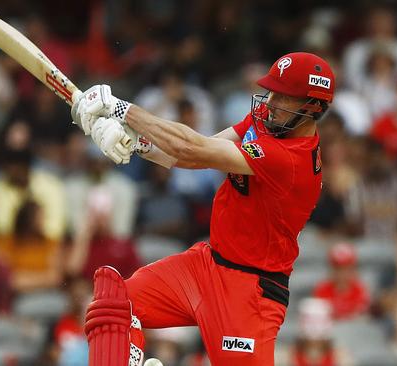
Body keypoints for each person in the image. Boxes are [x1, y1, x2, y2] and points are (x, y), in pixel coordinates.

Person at [71, 52, 334, 366]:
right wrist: (135, 142)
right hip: (205, 266)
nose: (270, 101)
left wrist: (121, 110)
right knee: (112, 306)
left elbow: (192, 149)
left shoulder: (292, 160)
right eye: (271, 91)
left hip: (249, 295)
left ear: (312, 107)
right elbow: (191, 156)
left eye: (283, 97)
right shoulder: (269, 121)